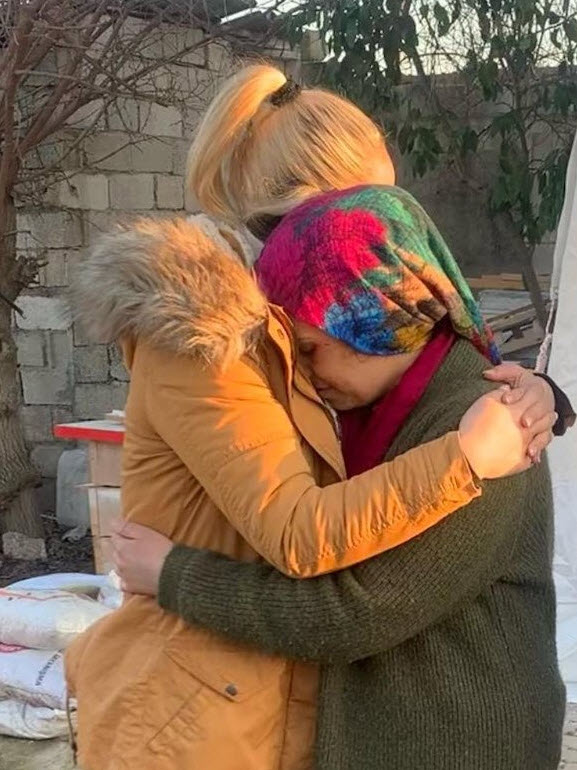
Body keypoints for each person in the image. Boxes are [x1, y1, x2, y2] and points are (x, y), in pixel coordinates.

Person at [65, 64, 568, 770]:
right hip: (207, 710)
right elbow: (305, 534)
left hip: (441, 741)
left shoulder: (476, 416)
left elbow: (351, 610)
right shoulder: (219, 338)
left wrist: (531, 406)